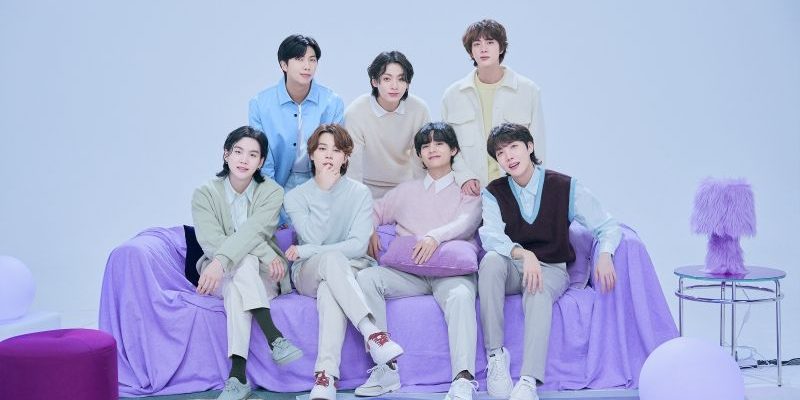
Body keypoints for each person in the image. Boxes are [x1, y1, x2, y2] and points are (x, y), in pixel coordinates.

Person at [478, 123, 621, 400]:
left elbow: (606, 225)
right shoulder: (494, 192)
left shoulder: (564, 186)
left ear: (530, 147)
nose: (508, 156)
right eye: (501, 152)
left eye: (514, 147)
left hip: (551, 268)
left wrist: (605, 254)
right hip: (513, 264)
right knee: (491, 262)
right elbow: (491, 236)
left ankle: (528, 381)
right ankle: (496, 357)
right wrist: (524, 254)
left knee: (537, 289)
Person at [355, 122, 482, 399]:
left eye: (439, 143)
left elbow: (467, 221)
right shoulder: (405, 191)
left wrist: (435, 236)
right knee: (366, 278)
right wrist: (369, 228)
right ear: (419, 155)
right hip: (409, 274)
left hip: (452, 275)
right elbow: (373, 210)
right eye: (426, 145)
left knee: (461, 296)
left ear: (454, 150)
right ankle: (385, 368)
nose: (432, 149)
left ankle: (463, 378)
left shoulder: (467, 190)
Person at [283, 124, 404, 400]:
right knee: (330, 260)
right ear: (311, 154)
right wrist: (323, 194)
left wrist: (305, 250)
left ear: (346, 157)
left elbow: (358, 245)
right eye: (322, 148)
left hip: (350, 267)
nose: (329, 155)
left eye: (336, 150)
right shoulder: (295, 197)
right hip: (308, 272)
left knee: (330, 288)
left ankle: (325, 377)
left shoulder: (360, 193)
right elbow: (315, 236)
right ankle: (373, 333)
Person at [191, 126, 303, 400]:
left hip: (264, 274)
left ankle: (237, 378)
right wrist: (260, 253)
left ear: (261, 161)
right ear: (226, 154)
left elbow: (256, 229)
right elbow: (211, 240)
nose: (244, 159)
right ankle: (274, 337)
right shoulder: (205, 193)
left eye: (253, 155)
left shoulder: (272, 192)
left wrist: (226, 260)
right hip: (218, 272)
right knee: (243, 265)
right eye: (238, 152)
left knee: (240, 278)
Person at [441, 19, 546, 195]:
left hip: (518, 190)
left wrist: (532, 188)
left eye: (490, 42)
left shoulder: (528, 90)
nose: (483, 49)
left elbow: (537, 144)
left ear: (501, 48)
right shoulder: (453, 95)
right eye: (477, 44)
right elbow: (448, 145)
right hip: (471, 191)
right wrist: (464, 176)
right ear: (470, 51)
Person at [249, 34, 344, 193]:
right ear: (284, 65)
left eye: (312, 60)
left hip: (320, 183)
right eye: (299, 59)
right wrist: (272, 196)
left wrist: (323, 191)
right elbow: (263, 156)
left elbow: (335, 152)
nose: (307, 66)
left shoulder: (332, 102)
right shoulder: (260, 104)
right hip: (275, 181)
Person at [345, 50, 431, 198]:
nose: (394, 86)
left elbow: (421, 159)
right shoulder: (356, 111)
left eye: (401, 79)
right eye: (387, 79)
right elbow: (353, 166)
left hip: (405, 188)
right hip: (367, 188)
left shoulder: (419, 109)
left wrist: (421, 196)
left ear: (408, 83)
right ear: (374, 81)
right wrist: (356, 201)